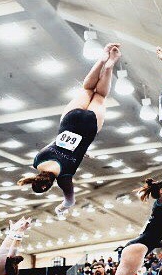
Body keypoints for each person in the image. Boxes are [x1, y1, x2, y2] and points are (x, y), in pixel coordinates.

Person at [18, 43, 121, 217]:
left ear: (47, 186)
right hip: (69, 121)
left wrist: (60, 209)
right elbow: (56, 144)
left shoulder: (64, 178)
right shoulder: (38, 161)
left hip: (88, 128)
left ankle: (110, 66)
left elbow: (69, 201)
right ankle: (102, 59)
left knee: (100, 96)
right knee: (87, 89)